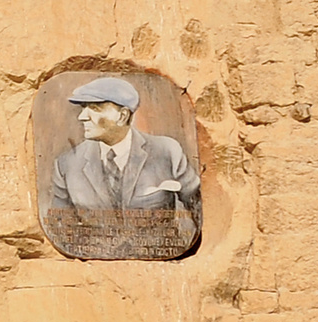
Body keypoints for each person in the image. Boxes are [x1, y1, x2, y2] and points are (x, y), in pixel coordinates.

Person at [44, 76, 202, 257]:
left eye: (94, 108)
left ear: (122, 116)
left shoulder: (166, 152)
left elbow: (197, 207)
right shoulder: (68, 164)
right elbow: (60, 226)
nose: (82, 117)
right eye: (83, 108)